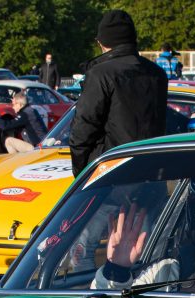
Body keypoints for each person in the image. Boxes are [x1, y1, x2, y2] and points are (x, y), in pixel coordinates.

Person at [70, 9, 168, 176]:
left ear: (102, 42)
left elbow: (82, 131)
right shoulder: (157, 73)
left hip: (112, 171)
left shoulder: (100, 74)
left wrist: (83, 175)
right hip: (152, 169)